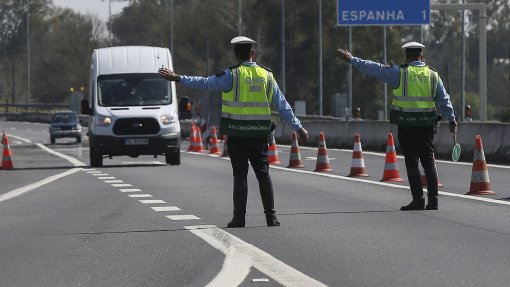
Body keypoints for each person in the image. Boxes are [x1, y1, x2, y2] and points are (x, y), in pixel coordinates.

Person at [159, 36, 309, 227]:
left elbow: (204, 83)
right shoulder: (267, 75)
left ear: (236, 55)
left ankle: (239, 218)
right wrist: (299, 127)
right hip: (259, 134)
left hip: (237, 134)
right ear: (252, 54)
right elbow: (282, 106)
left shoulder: (231, 75)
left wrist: (178, 78)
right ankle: (271, 217)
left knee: (240, 175)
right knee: (264, 174)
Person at [337, 41, 457, 211]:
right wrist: (451, 119)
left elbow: (375, 69)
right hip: (427, 125)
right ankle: (434, 201)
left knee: (412, 162)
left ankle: (418, 200)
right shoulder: (432, 75)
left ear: (406, 56)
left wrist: (352, 59)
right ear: (421, 56)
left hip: (406, 124)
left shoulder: (400, 72)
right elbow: (444, 99)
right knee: (428, 161)